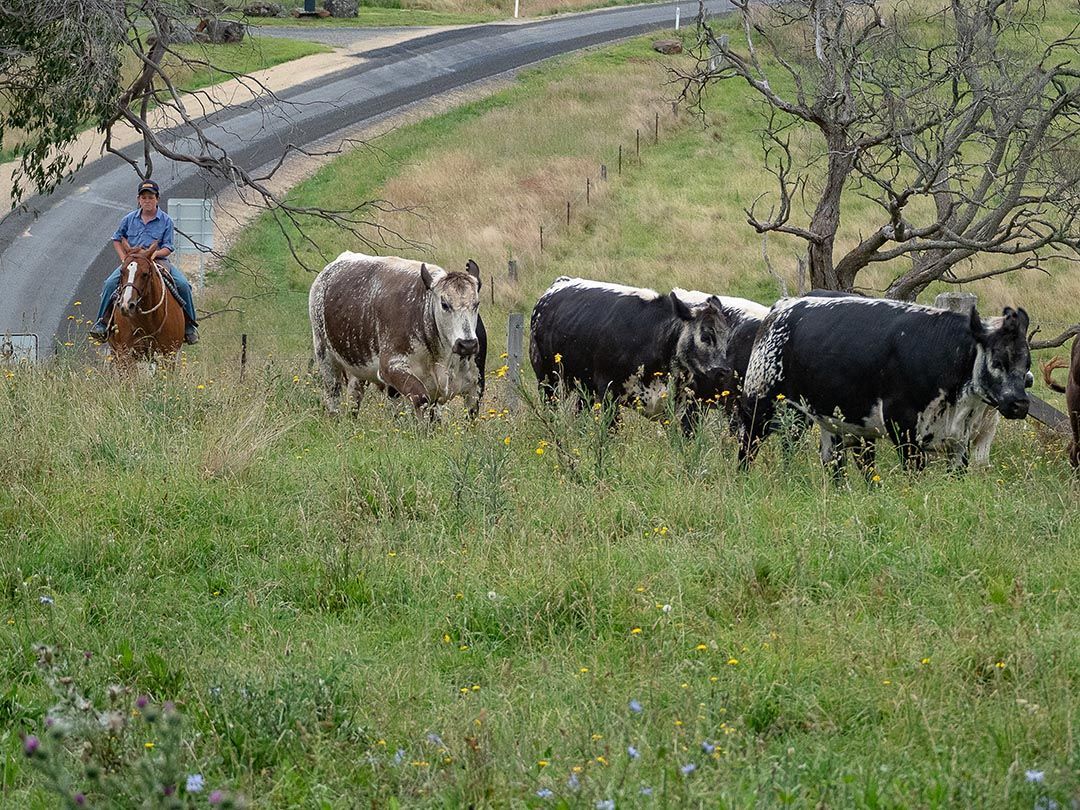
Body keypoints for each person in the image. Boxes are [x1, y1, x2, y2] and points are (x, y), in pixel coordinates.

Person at [88, 180, 199, 345]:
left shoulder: (166, 220)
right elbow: (117, 239)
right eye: (144, 197)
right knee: (110, 283)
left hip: (158, 260)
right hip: (132, 261)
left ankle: (189, 326)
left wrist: (152, 255)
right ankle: (102, 322)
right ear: (139, 199)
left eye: (151, 197)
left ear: (157, 199)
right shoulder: (129, 219)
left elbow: (168, 247)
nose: (147, 200)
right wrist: (123, 258)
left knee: (183, 284)